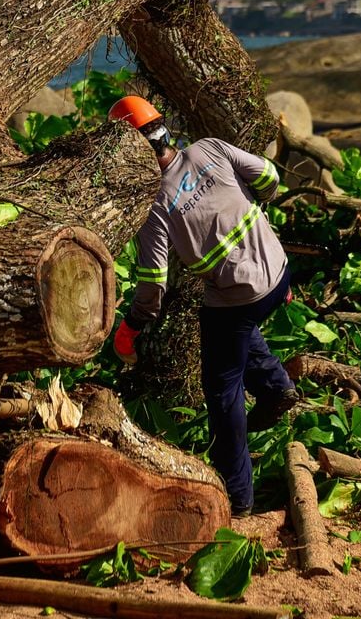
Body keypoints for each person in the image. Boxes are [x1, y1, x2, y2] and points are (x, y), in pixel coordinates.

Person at [108, 94, 298, 517]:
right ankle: (275, 386)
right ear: (163, 128)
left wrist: (132, 328)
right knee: (235, 328)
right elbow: (268, 175)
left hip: (238, 297)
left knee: (221, 387)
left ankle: (239, 497)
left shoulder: (156, 204)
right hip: (279, 271)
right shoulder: (209, 148)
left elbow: (153, 285)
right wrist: (250, 207)